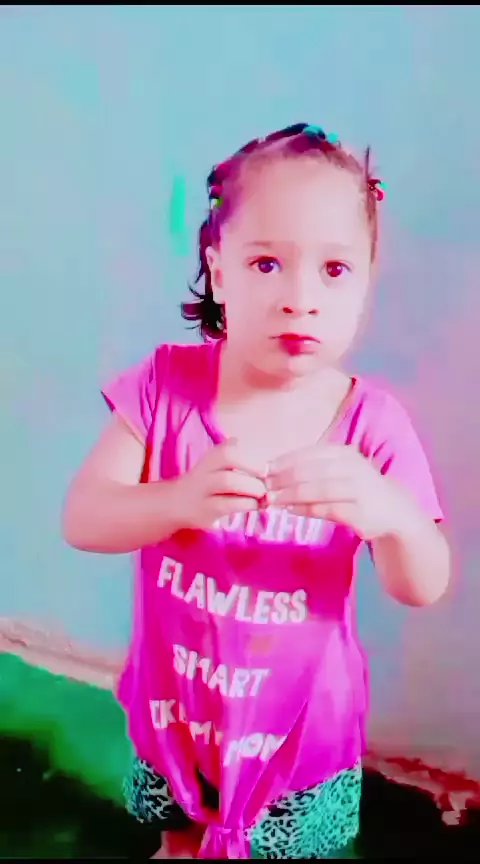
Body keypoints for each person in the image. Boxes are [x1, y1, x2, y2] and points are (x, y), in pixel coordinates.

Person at [62, 123, 451, 860]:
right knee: (179, 840)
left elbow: (423, 584)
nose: (300, 299)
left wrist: (392, 516)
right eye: (267, 263)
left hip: (299, 738)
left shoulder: (372, 425)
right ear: (218, 269)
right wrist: (175, 500)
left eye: (334, 269)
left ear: (367, 278)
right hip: (177, 711)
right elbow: (83, 518)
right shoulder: (164, 387)